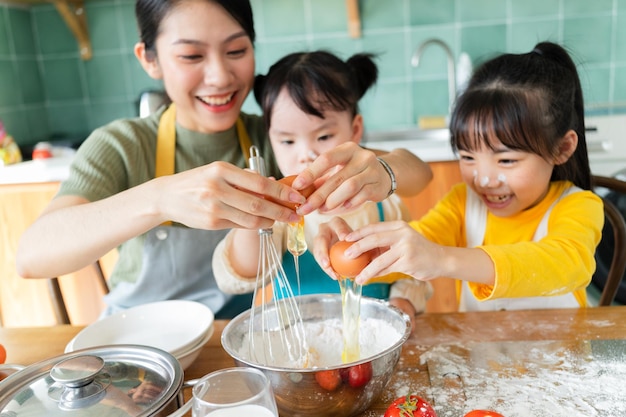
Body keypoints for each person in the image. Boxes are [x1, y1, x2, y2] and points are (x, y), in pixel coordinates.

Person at [15, 0, 431, 319]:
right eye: (192, 56)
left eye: (236, 51)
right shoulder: (124, 144)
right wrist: (159, 199)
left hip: (236, 337)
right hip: (142, 341)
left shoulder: (277, 139)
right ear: (150, 59)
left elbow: (414, 171)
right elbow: (33, 255)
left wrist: (384, 172)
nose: (219, 77)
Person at [313, 41, 604, 311]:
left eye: (506, 160)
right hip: (483, 356)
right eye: (468, 157)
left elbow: (564, 264)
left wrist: (443, 259)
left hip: (561, 357)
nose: (485, 179)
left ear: (562, 148)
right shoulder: (462, 204)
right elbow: (414, 247)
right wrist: (352, 251)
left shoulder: (579, 206)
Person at [212, 51, 433, 318]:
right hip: (300, 342)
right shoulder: (278, 213)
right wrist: (254, 218)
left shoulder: (384, 202)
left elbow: (410, 269)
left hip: (373, 336)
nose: (306, 155)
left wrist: (404, 301)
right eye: (287, 141)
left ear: (354, 130)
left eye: (324, 136)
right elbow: (240, 274)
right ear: (270, 138)